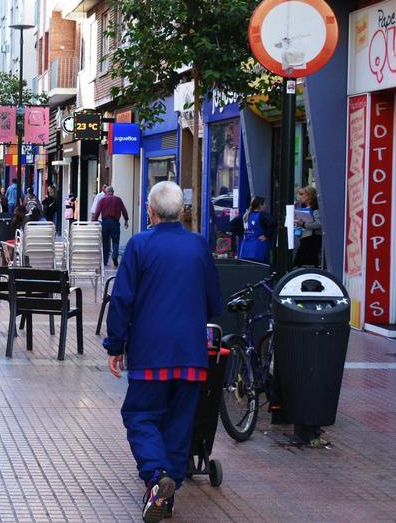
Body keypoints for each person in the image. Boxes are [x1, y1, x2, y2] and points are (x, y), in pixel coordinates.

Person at [105, 181, 222, 522]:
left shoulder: (140, 245)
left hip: (150, 353)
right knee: (179, 422)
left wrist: (115, 345)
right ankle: (167, 489)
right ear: (181, 212)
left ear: (150, 211)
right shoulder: (199, 246)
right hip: (190, 353)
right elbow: (215, 301)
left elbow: (122, 299)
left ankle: (157, 476)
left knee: (141, 415)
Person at [93, 186, 130, 267]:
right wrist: (126, 220)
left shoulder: (103, 200)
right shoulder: (118, 199)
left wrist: (94, 221)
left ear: (106, 192)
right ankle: (114, 256)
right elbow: (123, 210)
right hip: (115, 223)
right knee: (116, 241)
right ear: (113, 192)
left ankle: (105, 261)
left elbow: (97, 211)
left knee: (105, 242)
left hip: (105, 223)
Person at [237, 196, 275, 264]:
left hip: (245, 249)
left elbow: (233, 224)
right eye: (264, 204)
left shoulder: (245, 215)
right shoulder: (263, 216)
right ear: (260, 205)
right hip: (259, 249)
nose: (266, 206)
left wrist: (242, 234)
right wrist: (266, 235)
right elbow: (273, 223)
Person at [292, 185, 322, 267]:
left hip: (312, 238)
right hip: (305, 237)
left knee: (303, 262)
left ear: (309, 195)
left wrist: (303, 224)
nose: (300, 196)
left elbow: (318, 224)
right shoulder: (303, 207)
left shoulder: (315, 208)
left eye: (302, 194)